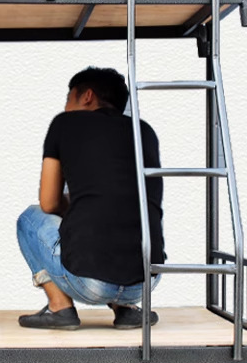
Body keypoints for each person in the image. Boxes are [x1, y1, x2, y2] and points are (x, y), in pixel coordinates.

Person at [16, 66, 165, 330]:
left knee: (29, 218)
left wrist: (74, 204)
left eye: (68, 98)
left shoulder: (64, 124)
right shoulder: (144, 130)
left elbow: (49, 203)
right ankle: (126, 309)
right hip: (146, 281)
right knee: (125, 213)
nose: (66, 106)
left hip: (89, 284)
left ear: (87, 96)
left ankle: (60, 309)